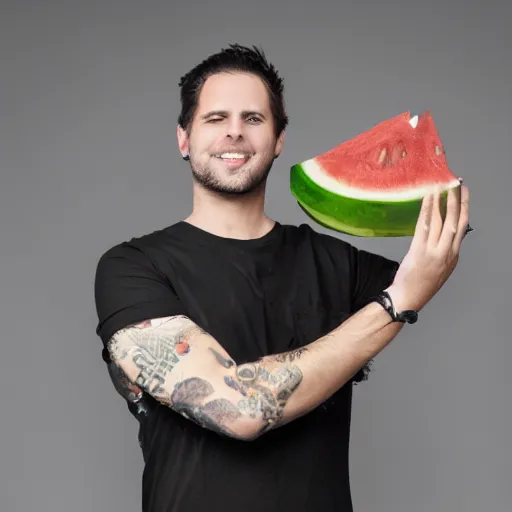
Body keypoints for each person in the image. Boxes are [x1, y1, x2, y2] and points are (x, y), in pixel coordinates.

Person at [94, 44, 470, 512]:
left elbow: (438, 246)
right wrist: (397, 304)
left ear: (279, 139)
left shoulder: (341, 264)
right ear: (183, 139)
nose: (234, 131)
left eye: (253, 118)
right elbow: (239, 410)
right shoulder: (133, 267)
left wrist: (429, 180)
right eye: (215, 119)